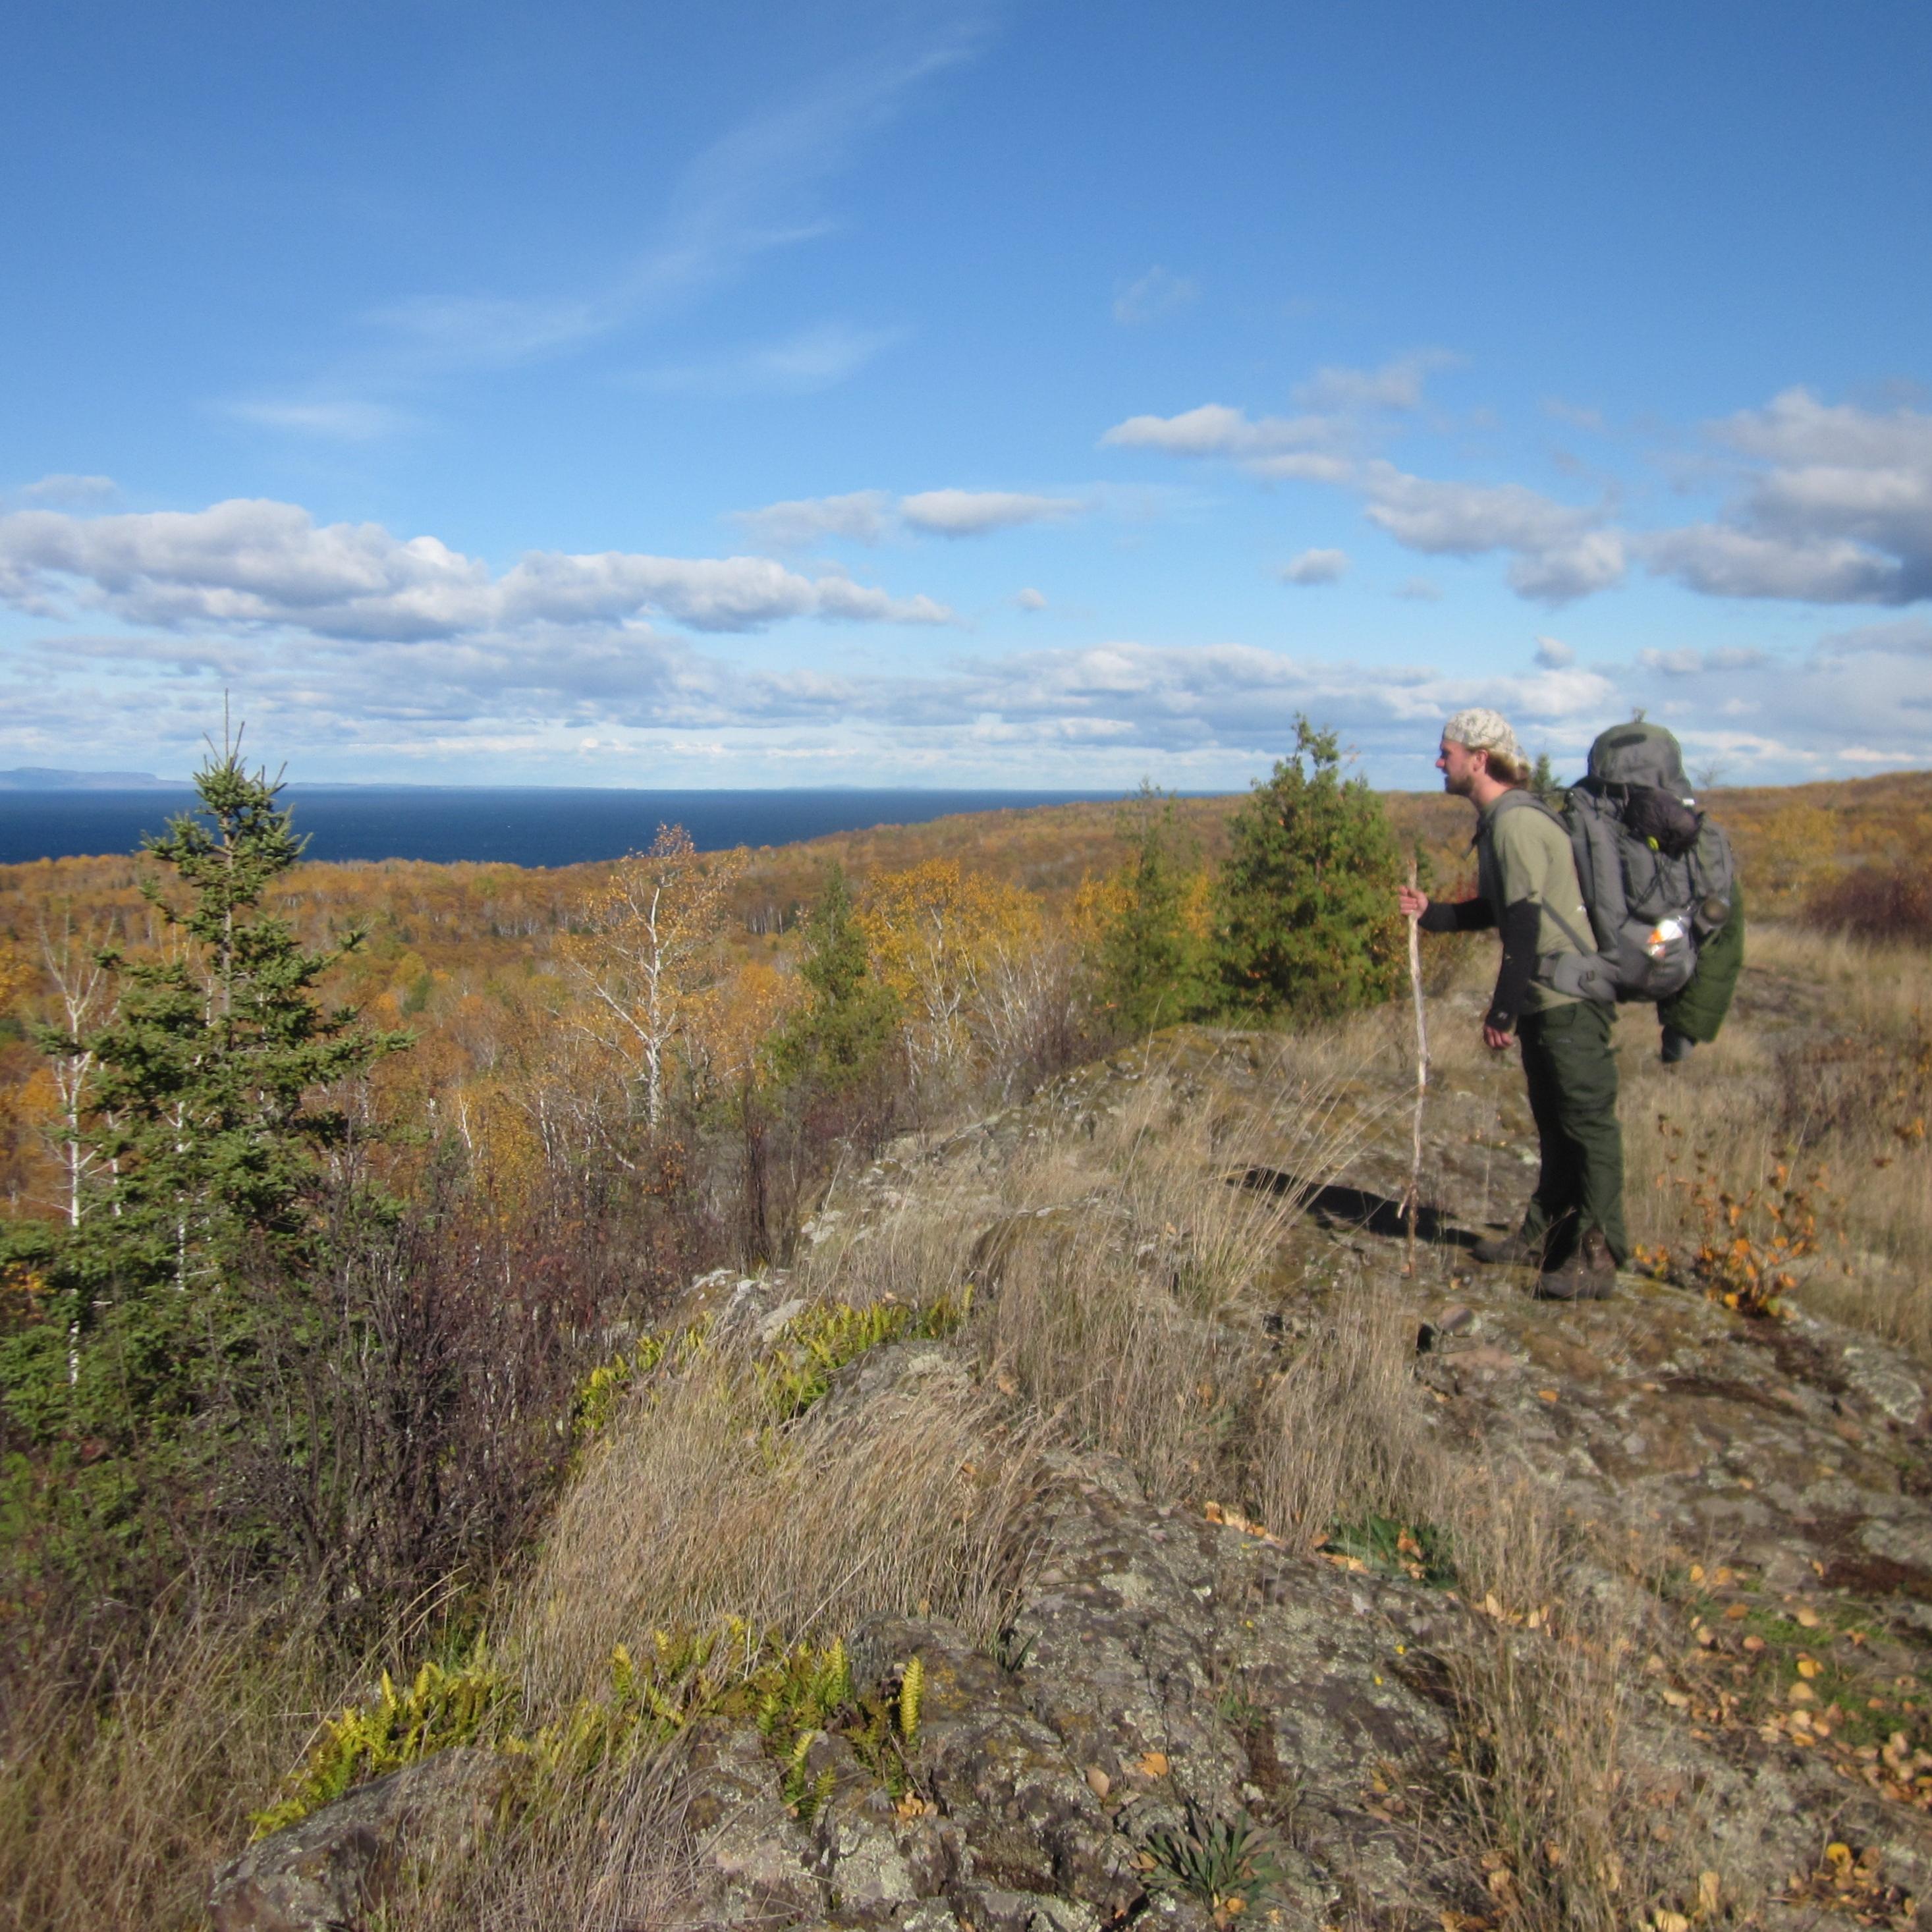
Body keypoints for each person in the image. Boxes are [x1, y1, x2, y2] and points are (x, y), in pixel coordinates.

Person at [1396, 708, 1626, 1300]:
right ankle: (1545, 1237)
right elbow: (1498, 910)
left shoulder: (1515, 825)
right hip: (1551, 998)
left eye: (1445, 751)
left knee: (1586, 1127)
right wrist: (1433, 913)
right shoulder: (1501, 821)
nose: (1438, 761)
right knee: (1555, 1123)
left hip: (1565, 999)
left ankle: (1597, 1258)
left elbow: (1523, 925)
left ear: (1478, 757)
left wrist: (1503, 1010)